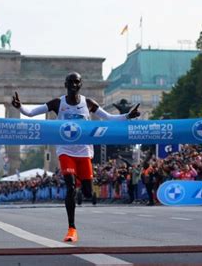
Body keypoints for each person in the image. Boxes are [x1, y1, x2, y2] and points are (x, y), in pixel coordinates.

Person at [12, 72, 140, 242]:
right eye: (70, 82)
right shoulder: (58, 103)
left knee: (87, 192)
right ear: (65, 84)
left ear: (81, 85)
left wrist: (128, 116)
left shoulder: (88, 103)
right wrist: (20, 107)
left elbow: (108, 118)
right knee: (70, 187)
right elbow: (32, 113)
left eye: (76, 82)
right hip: (66, 150)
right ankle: (71, 228)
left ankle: (80, 185)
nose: (73, 85)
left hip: (84, 151)